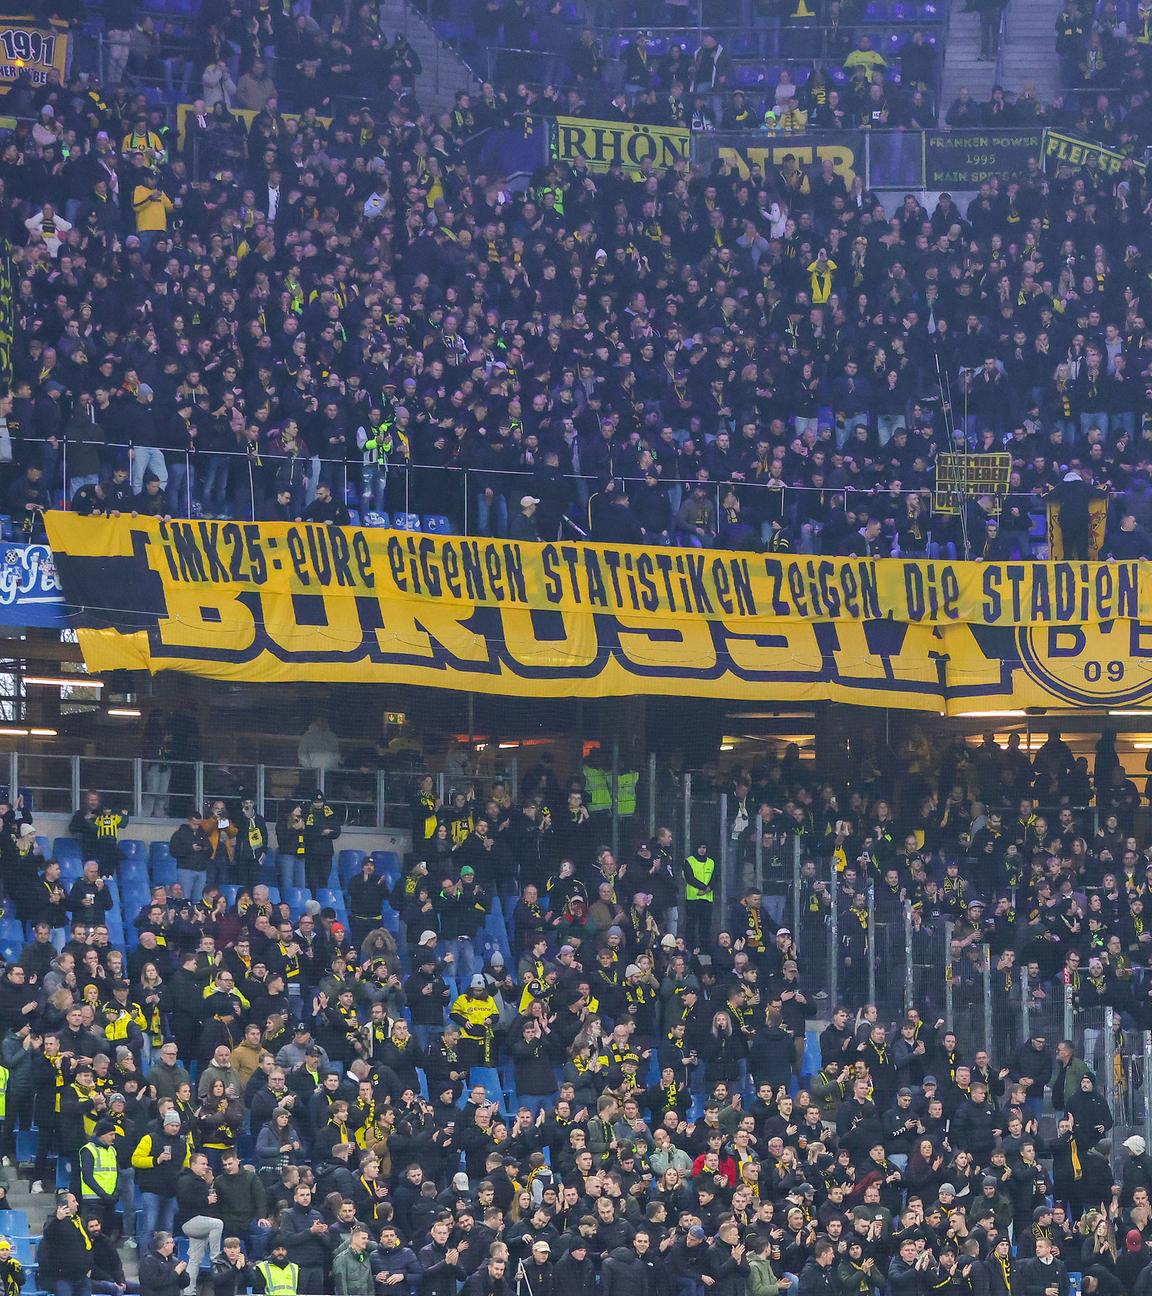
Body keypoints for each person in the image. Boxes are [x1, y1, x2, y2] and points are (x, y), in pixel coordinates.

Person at [38, 1192, 94, 1296]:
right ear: (64, 1205)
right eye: (73, 1201)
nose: (77, 1203)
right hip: (63, 1278)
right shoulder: (53, 1220)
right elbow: (48, 1234)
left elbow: (87, 1245)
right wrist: (57, 1220)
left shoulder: (78, 1221)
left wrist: (89, 1265)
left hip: (82, 1277)